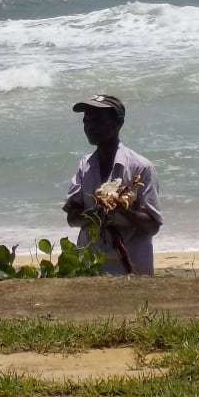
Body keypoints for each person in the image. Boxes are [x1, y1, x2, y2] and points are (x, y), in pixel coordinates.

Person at [63, 94, 162, 275]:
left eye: (97, 121)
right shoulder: (85, 166)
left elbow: (152, 225)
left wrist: (122, 209)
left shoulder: (141, 168)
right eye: (86, 121)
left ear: (118, 123)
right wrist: (98, 213)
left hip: (130, 267)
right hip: (90, 264)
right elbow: (72, 217)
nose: (90, 127)